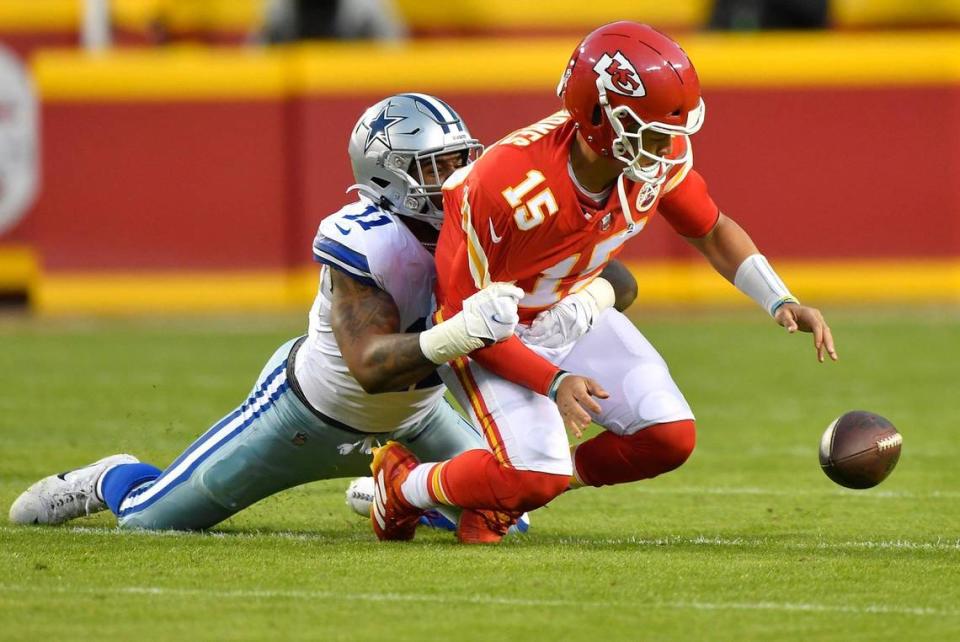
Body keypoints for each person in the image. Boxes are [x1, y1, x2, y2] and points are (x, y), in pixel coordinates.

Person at [369, 22, 838, 544]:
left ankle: (501, 494)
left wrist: (779, 298)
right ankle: (403, 486)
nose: (668, 148)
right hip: (488, 332)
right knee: (534, 473)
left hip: (568, 309)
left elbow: (711, 229)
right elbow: (460, 323)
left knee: (667, 436)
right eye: (654, 131)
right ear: (598, 117)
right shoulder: (503, 186)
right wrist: (553, 380)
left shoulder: (649, 161)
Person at [8, 93, 519, 532]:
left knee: (508, 509)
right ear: (388, 176)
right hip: (307, 415)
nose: (458, 177)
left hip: (418, 417)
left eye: (461, 159)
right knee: (148, 520)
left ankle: (397, 491)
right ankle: (110, 477)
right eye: (437, 166)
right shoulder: (367, 238)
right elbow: (371, 366)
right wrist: (464, 332)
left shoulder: (481, 224)